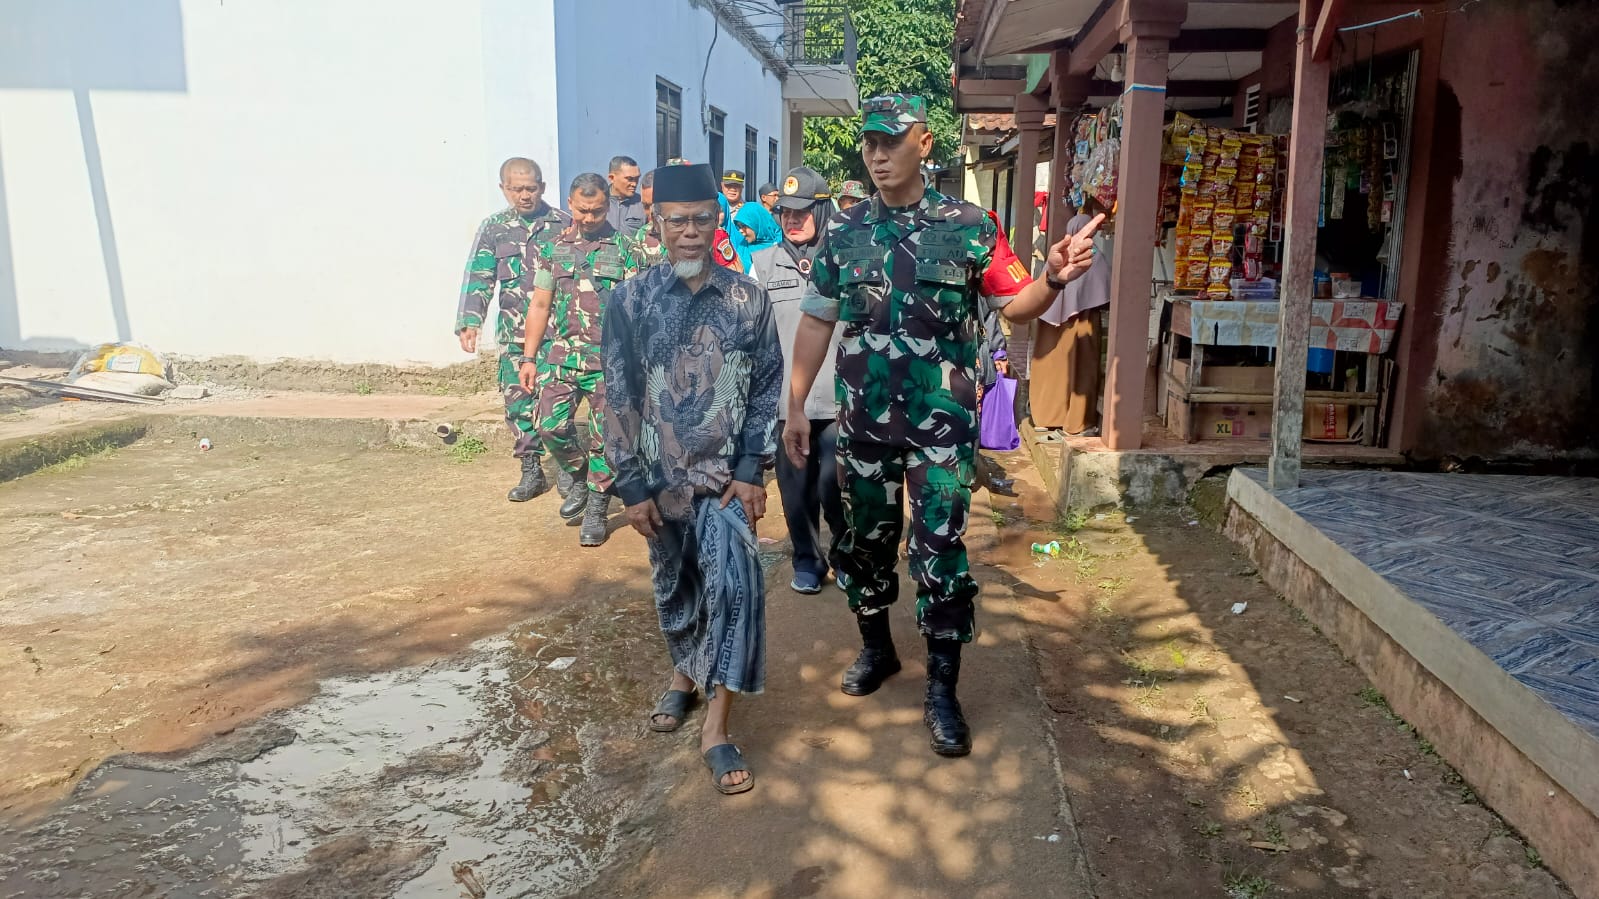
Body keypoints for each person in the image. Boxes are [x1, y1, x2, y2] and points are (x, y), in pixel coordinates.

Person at [784, 95, 1103, 757]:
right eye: (869, 143)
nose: (877, 156)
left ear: (924, 143)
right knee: (864, 545)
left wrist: (1052, 277)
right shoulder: (844, 230)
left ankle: (941, 689)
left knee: (939, 551)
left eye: (890, 142)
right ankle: (877, 649)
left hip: (941, 427)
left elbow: (1016, 305)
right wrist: (795, 404)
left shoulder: (969, 226)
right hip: (864, 426)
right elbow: (816, 318)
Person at [603, 163, 782, 795]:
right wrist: (630, 486)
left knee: (735, 589)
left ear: (717, 222)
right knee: (676, 586)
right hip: (658, 480)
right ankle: (684, 675)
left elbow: (766, 387)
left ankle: (716, 726)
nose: (689, 231)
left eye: (702, 219)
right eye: (676, 220)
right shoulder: (631, 300)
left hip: (724, 480)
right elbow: (617, 394)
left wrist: (752, 469)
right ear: (656, 223)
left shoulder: (747, 299)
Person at [522, 173, 643, 545]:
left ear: (607, 206)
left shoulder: (626, 249)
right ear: (570, 205)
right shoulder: (555, 248)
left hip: (610, 362)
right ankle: (578, 476)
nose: (589, 218)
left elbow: (637, 311)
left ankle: (597, 506)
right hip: (563, 358)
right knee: (549, 426)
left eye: (597, 211)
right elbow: (540, 305)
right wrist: (528, 358)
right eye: (582, 210)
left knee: (605, 438)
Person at [748, 166, 844, 595]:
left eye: (802, 212)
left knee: (836, 487)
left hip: (840, 401)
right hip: (788, 403)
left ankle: (844, 556)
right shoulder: (763, 264)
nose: (792, 219)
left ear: (822, 212)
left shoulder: (844, 259)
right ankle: (807, 560)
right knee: (796, 489)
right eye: (786, 212)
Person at [456, 156, 573, 502]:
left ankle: (568, 468)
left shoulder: (563, 225)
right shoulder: (494, 228)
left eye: (531, 188)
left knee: (557, 404)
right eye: (516, 189)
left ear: (542, 187)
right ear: (503, 188)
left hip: (557, 335)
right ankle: (531, 469)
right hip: (514, 335)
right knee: (518, 403)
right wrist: (470, 320)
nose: (524, 195)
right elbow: (480, 275)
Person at [1028, 211, 1111, 437]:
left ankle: (1046, 416)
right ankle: (1077, 422)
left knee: (1051, 367)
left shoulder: (1059, 253)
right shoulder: (1094, 255)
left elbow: (1044, 285)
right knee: (1082, 368)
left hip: (1049, 321)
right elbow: (1105, 286)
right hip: (1083, 320)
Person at [731, 200, 781, 273]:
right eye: (739, 226)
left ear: (756, 224)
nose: (740, 230)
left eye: (744, 226)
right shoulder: (743, 247)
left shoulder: (781, 244)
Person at [605, 155, 646, 234]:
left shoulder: (643, 204)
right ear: (611, 178)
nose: (634, 184)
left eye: (637, 179)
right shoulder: (597, 203)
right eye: (630, 179)